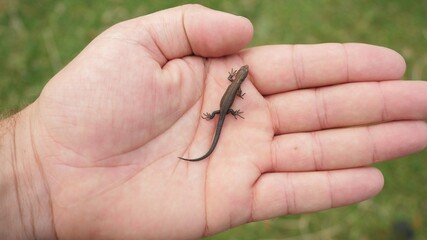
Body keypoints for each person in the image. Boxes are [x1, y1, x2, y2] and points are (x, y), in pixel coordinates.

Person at [1, 4, 426, 240]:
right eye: (241, 76)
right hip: (222, 109)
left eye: (240, 77)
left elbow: (231, 94)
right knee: (222, 120)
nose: (242, 77)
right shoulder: (236, 88)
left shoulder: (233, 87)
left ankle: (212, 135)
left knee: (221, 120)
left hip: (221, 109)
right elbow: (233, 95)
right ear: (240, 78)